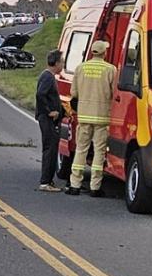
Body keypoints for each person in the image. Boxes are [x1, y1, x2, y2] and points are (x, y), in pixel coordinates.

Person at [65, 40, 116, 197]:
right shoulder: (110, 69)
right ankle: (95, 187)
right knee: (99, 152)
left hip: (84, 115)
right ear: (103, 52)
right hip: (102, 117)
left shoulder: (81, 68)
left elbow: (74, 93)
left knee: (81, 150)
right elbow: (114, 94)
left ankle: (75, 184)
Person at [36, 50, 65, 192]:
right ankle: (45, 181)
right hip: (46, 118)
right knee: (50, 148)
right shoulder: (47, 77)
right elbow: (40, 94)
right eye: (62, 61)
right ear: (57, 63)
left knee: (52, 148)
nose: (63, 64)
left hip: (47, 117)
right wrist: (49, 111)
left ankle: (48, 180)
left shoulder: (48, 76)